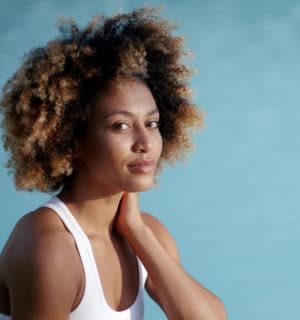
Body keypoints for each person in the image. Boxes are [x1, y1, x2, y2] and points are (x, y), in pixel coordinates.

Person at [0, 7, 226, 320]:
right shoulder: (49, 245)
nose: (145, 144)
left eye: (152, 123)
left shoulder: (147, 233)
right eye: (120, 125)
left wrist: (137, 232)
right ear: (72, 139)